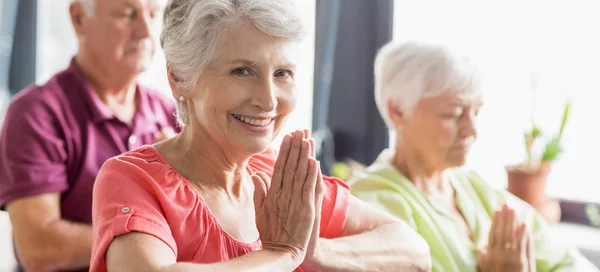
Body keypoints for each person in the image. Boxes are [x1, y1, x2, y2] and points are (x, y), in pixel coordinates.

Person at [89, 1, 434, 271]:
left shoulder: (278, 173)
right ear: (180, 77)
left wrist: (314, 252)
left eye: (282, 73)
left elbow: (413, 251)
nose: (268, 99)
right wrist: (284, 254)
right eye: (242, 71)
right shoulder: (133, 179)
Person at [347, 40, 599, 272]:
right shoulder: (369, 202)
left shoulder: (474, 188)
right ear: (398, 110)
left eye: (476, 112)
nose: (472, 130)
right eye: (454, 114)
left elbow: (571, 263)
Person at [0, 0, 179, 271]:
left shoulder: (170, 113)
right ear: (79, 18)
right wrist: (151, 232)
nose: (145, 31)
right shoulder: (36, 113)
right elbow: (39, 248)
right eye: (127, 14)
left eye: (153, 15)